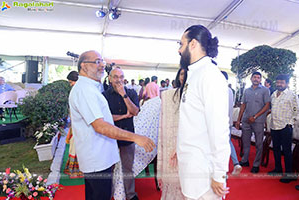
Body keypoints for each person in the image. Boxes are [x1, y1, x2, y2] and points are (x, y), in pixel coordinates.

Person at [69, 50, 154, 200]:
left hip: (100, 157)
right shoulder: (85, 90)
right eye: (97, 62)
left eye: (102, 61)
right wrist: (135, 137)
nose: (102, 65)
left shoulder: (91, 89)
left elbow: (133, 112)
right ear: (83, 66)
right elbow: (100, 126)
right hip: (97, 159)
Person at [176, 25, 230, 200]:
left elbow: (219, 129)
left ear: (192, 44)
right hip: (191, 169)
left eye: (181, 44)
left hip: (203, 175)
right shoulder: (194, 74)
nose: (179, 50)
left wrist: (219, 174)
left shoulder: (210, 76)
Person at [103, 67, 140, 200]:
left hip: (127, 136)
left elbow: (135, 111)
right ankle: (109, 194)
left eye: (121, 77)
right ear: (110, 79)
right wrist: (124, 116)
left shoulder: (131, 93)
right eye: (115, 77)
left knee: (128, 169)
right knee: (109, 169)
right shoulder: (104, 95)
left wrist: (123, 94)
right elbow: (105, 118)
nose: (118, 80)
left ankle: (130, 195)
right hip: (110, 137)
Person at [157, 68, 186, 200]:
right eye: (181, 73)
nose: (183, 76)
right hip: (171, 142)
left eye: (186, 74)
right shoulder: (168, 96)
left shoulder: (199, 97)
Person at [235, 72, 270, 173]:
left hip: (258, 121)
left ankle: (256, 164)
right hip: (246, 120)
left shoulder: (265, 90)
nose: (256, 79)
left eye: (258, 77)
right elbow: (243, 105)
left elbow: (267, 105)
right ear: (251, 78)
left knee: (259, 143)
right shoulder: (247, 91)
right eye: (254, 77)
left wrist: (255, 116)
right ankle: (245, 160)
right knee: (246, 141)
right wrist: (238, 120)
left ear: (260, 80)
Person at [268, 74, 298, 183]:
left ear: (287, 83)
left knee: (286, 151)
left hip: (285, 127)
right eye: (278, 82)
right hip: (274, 125)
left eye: (282, 82)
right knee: (276, 149)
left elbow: (296, 111)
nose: (279, 84)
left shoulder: (292, 95)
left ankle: (289, 174)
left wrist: (290, 123)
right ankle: (278, 169)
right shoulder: (273, 94)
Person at [221, 71, 242, 175]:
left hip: (219, 123)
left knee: (219, 145)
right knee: (228, 142)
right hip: (228, 122)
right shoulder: (230, 90)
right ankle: (236, 163)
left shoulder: (217, 89)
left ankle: (222, 168)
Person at [64, 71, 83, 178]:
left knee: (75, 145)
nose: (71, 84)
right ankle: (75, 170)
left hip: (80, 124)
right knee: (73, 144)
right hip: (76, 123)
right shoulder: (76, 91)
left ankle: (77, 171)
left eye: (71, 82)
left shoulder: (80, 91)